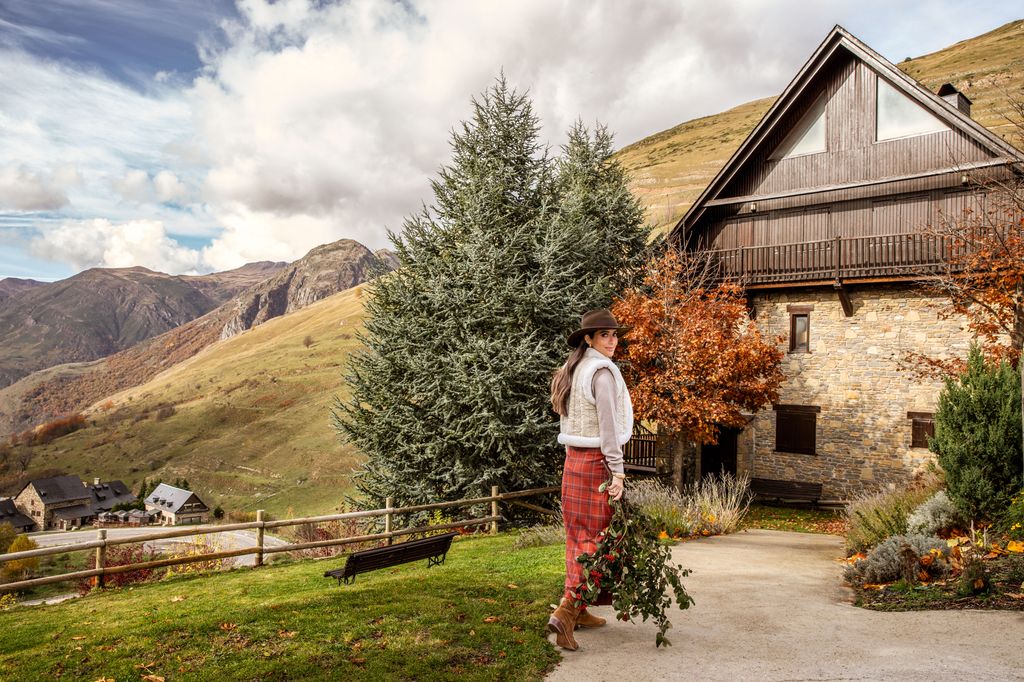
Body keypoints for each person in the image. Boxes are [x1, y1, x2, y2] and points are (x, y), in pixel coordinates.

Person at [547, 308, 633, 651]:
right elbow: (609, 430)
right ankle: (566, 613)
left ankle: (579, 611)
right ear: (589, 338)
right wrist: (618, 472)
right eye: (604, 335)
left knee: (578, 539)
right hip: (597, 463)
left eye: (614, 335)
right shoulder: (601, 373)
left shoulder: (575, 369)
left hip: (573, 466)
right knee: (598, 544)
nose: (612, 341)